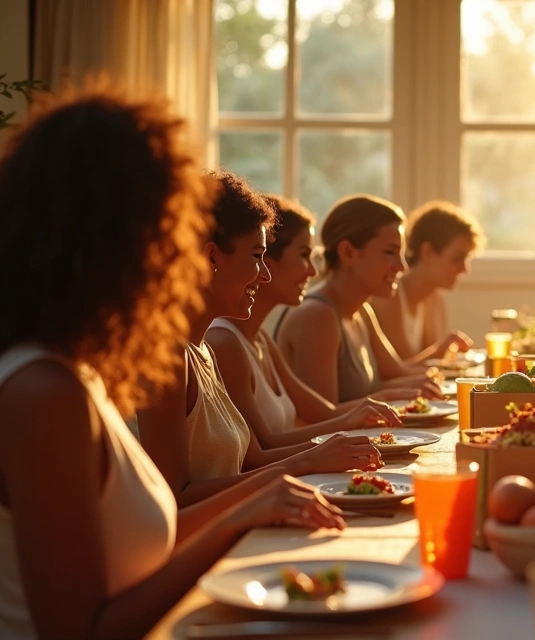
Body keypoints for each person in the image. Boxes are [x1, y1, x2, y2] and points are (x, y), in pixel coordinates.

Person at [0, 86, 343, 639]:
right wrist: (235, 520)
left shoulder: (78, 372)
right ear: (116, 237)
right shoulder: (43, 392)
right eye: (172, 226)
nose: (182, 250)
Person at [138, 172, 383, 506]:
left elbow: (252, 459)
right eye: (256, 256)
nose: (264, 274)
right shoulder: (165, 359)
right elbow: (175, 499)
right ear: (210, 257)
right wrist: (308, 461)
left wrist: (332, 447)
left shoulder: (204, 351)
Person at [207, 194, 431, 449]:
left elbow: (327, 413)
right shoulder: (227, 341)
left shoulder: (260, 339)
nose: (313, 271)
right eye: (304, 255)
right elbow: (261, 450)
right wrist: (336, 440)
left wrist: (382, 402)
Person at [276, 194, 440, 403]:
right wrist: (390, 395)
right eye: (390, 252)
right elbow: (324, 418)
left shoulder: (361, 310)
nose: (402, 266)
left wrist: (443, 377)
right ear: (348, 253)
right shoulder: (317, 316)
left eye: (402, 254)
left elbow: (396, 373)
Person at [369, 200, 482, 363]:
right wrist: (439, 350)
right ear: (427, 251)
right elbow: (393, 373)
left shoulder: (435, 299)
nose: (465, 269)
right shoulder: (389, 297)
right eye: (457, 258)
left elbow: (434, 367)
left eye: (467, 259)